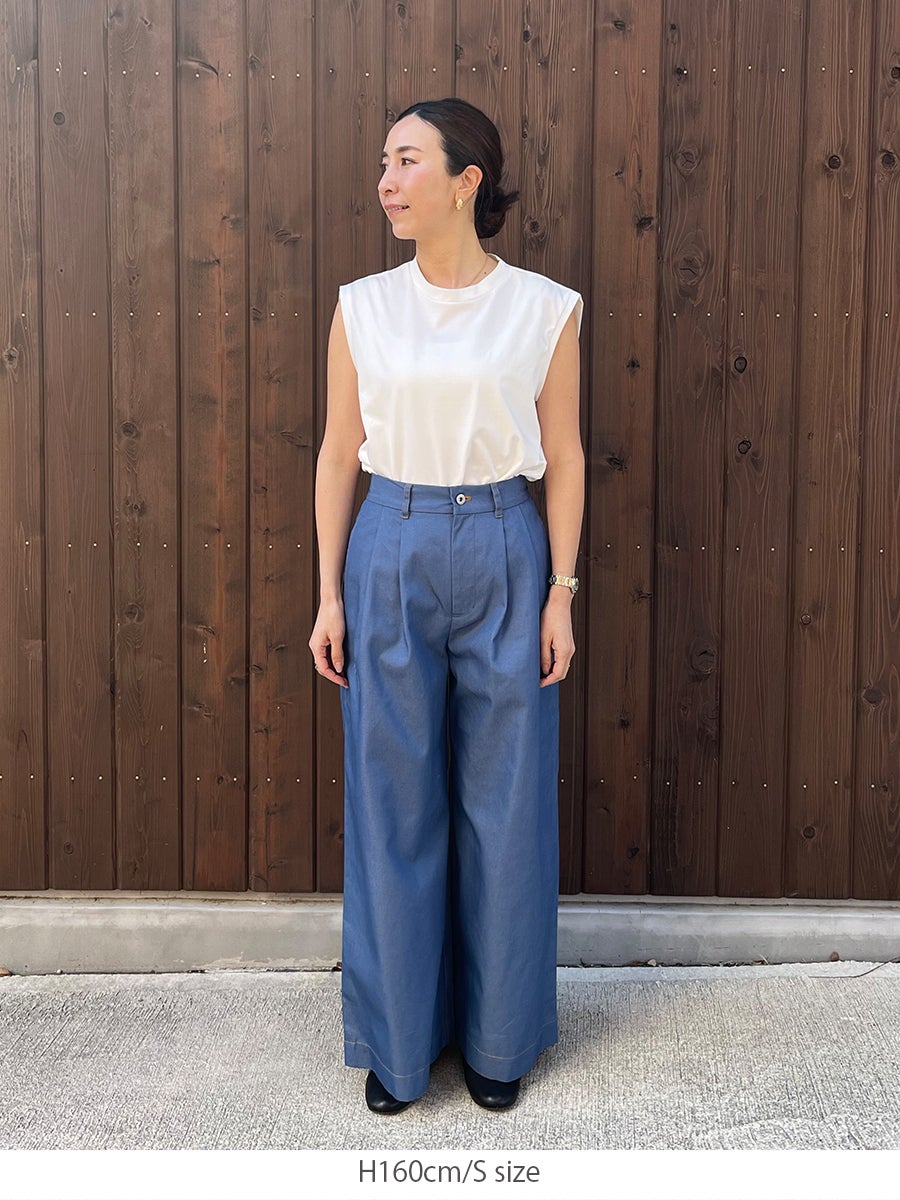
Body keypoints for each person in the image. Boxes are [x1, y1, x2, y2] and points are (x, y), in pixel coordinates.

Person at [309, 97, 584, 1114]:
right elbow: (339, 453)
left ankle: (499, 1041)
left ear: (467, 179)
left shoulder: (544, 309)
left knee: (506, 804)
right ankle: (397, 1046)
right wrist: (328, 593)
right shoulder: (363, 307)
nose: (387, 181)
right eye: (384, 162)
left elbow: (566, 456)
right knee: (393, 802)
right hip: (392, 543)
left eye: (407, 160)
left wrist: (560, 591)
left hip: (508, 543)